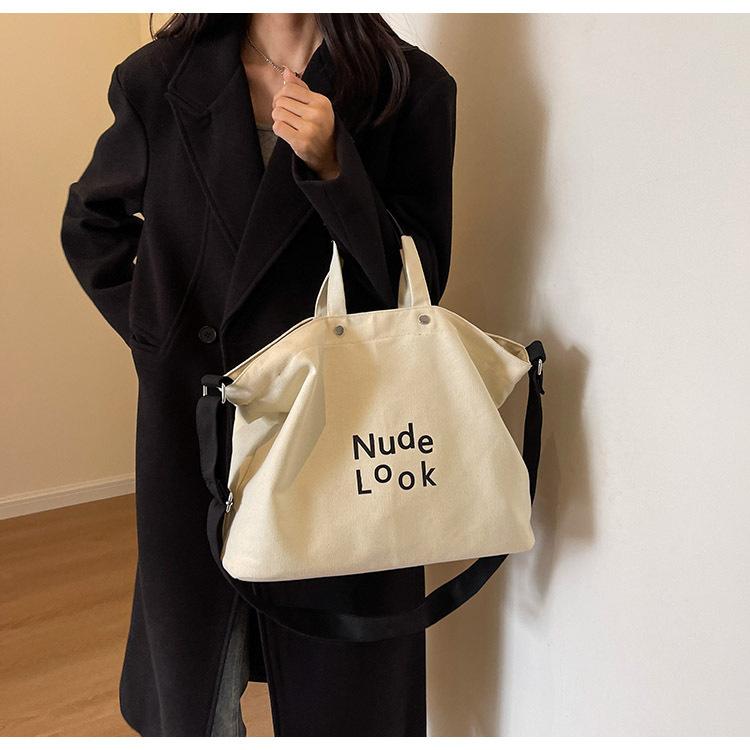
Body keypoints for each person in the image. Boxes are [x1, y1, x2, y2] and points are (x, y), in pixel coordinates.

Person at [60, 12, 457, 737]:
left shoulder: (410, 86)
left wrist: (336, 169)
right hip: (203, 416)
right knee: (203, 676)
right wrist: (162, 339)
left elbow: (420, 278)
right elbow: (91, 226)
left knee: (344, 691)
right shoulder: (159, 78)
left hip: (339, 424)